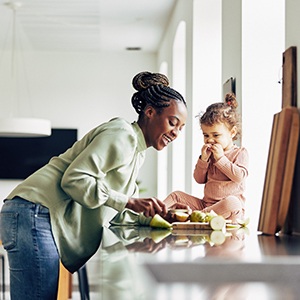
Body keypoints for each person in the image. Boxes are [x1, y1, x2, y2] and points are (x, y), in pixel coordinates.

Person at [0, 71, 187, 300]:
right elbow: (75, 180)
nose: (176, 133)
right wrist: (129, 201)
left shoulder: (137, 152)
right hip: (33, 211)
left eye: (181, 128)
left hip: (33, 213)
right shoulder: (122, 134)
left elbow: (121, 209)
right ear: (149, 112)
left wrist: (160, 216)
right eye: (173, 123)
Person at [164, 93, 249, 223]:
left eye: (216, 135)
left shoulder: (240, 153)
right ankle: (155, 214)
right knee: (176, 195)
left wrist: (221, 159)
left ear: (232, 132)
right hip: (206, 205)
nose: (210, 140)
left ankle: (196, 218)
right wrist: (203, 160)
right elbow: (199, 179)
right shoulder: (209, 154)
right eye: (206, 135)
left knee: (233, 202)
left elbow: (239, 177)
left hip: (226, 210)